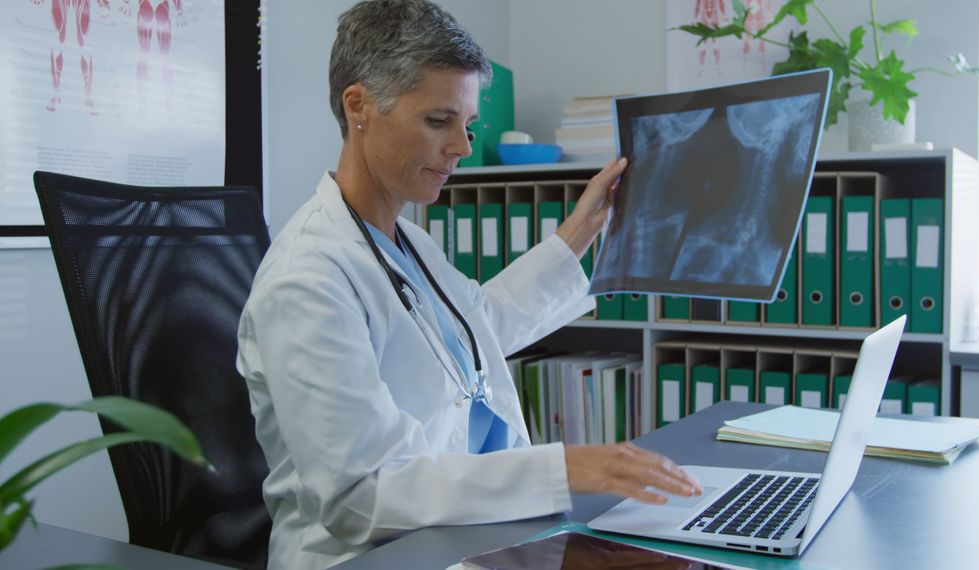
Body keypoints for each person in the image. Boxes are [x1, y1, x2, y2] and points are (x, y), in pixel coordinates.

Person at [237, 1, 701, 568]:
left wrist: (585, 227)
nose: (461, 146)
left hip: (477, 533)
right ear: (358, 106)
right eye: (438, 121)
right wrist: (562, 469)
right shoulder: (306, 280)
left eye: (467, 124)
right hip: (376, 556)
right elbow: (358, 496)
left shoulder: (408, 243)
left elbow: (481, 325)